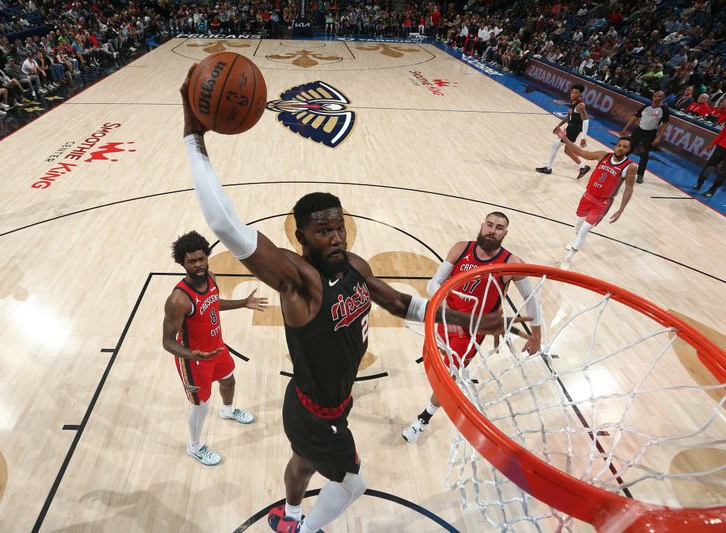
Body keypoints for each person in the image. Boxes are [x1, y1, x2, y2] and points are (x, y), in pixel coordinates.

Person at [180, 65, 518, 533]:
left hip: (324, 404)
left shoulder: (355, 266)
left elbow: (403, 304)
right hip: (317, 414)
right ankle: (307, 529)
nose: (336, 236)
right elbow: (226, 228)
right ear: (302, 236)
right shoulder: (299, 282)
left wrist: (471, 320)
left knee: (302, 465)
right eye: (323, 230)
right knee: (352, 485)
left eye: (338, 226)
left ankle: (293, 513)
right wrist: (194, 140)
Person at [402, 212, 543, 443]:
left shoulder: (512, 263)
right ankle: (458, 368)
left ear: (504, 234)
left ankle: (423, 419)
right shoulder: (461, 249)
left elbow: (532, 300)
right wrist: (445, 305)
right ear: (482, 226)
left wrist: (535, 336)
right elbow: (434, 282)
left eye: (499, 227)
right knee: (433, 362)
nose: (492, 230)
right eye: (489, 225)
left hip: (472, 330)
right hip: (445, 318)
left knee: (446, 378)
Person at [162, 230, 267, 466]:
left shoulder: (211, 277)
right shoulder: (178, 300)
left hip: (217, 348)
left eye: (201, 258)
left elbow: (212, 304)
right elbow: (167, 341)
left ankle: (228, 411)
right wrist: (192, 354)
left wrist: (242, 303)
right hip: (194, 359)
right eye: (192, 261)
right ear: (182, 262)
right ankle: (195, 446)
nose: (198, 265)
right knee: (201, 406)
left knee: (229, 380)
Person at [555, 130, 637, 268]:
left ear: (629, 150)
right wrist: (565, 138)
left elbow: (629, 188)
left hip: (602, 203)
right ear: (615, 146)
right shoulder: (602, 155)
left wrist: (620, 210)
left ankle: (568, 258)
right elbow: (580, 152)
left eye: (625, 147)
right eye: (619, 145)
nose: (621, 148)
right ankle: (576, 241)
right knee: (578, 225)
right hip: (588, 196)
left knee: (584, 231)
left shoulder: (630, 167)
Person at [536, 83, 592, 180]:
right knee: (567, 151)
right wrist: (559, 125)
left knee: (555, 145)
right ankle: (583, 167)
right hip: (570, 126)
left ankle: (548, 168)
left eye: (576, 93)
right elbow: (569, 115)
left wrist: (583, 138)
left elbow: (586, 121)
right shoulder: (572, 101)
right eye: (572, 92)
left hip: (574, 129)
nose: (573, 94)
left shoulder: (580, 105)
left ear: (580, 95)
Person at [619, 90, 670, 183]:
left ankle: (640, 175)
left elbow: (665, 123)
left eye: (659, 97)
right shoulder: (646, 107)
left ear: (663, 98)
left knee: (644, 154)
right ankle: (619, 166)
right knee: (628, 149)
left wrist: (659, 137)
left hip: (650, 134)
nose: (657, 98)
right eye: (655, 96)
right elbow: (635, 117)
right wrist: (625, 128)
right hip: (638, 131)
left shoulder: (664, 109)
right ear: (653, 97)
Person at [696, 126, 726, 198]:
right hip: (721, 146)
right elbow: (723, 133)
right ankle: (700, 183)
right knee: (713, 166)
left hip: (721, 146)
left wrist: (713, 144)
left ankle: (710, 190)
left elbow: (722, 133)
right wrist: (712, 144)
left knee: (721, 171)